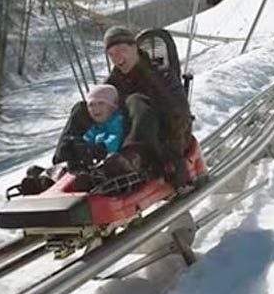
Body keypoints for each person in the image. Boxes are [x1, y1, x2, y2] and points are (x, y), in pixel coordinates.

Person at [53, 26, 192, 188]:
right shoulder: (114, 82)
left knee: (135, 100)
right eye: (111, 54)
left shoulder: (162, 75)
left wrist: (172, 154)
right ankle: (63, 163)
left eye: (121, 50)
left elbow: (179, 117)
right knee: (84, 107)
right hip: (116, 144)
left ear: (134, 47)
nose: (117, 58)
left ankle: (133, 157)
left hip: (160, 141)